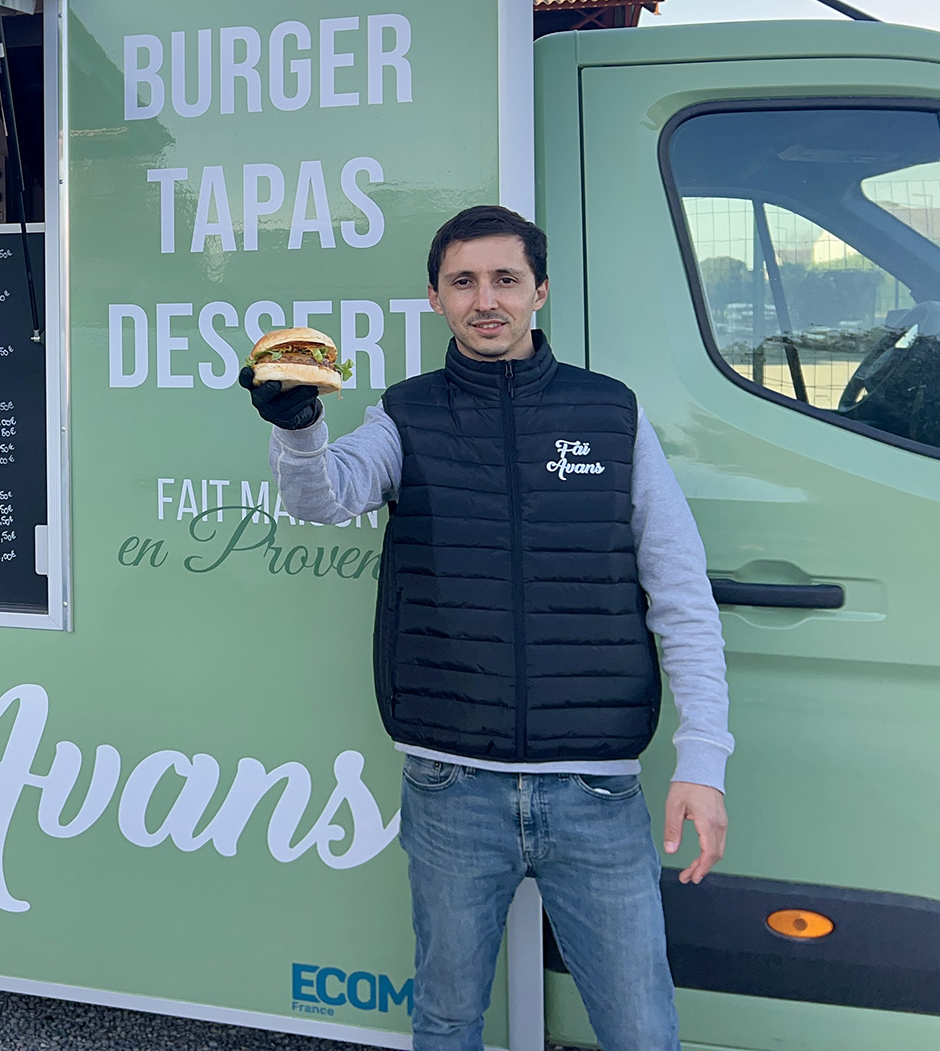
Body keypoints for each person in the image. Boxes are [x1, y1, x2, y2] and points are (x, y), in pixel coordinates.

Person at [240, 205, 730, 1051]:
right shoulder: (406, 414)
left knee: (641, 1029)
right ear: (435, 298)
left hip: (595, 788)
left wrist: (704, 758)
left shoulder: (609, 413)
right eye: (463, 282)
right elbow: (325, 499)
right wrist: (299, 427)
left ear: (540, 290)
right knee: (447, 1019)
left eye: (506, 279)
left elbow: (680, 590)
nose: (486, 300)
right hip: (451, 783)